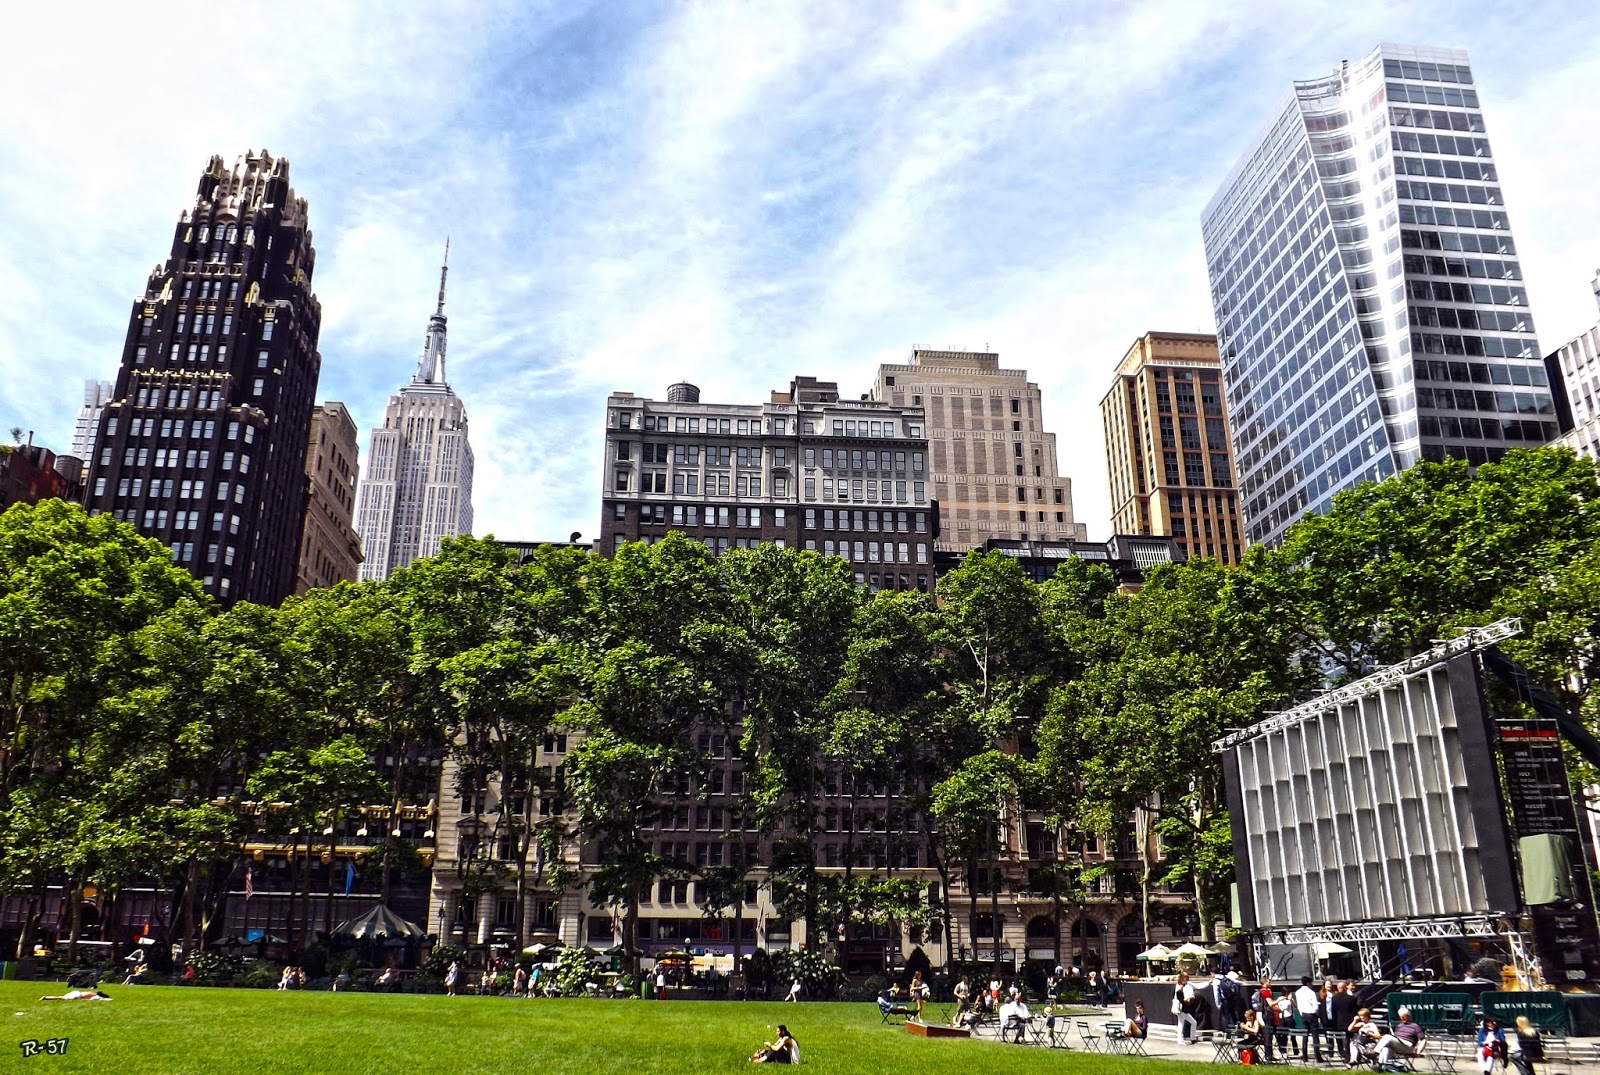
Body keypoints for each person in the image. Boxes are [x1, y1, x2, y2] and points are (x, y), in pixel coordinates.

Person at [1294, 975, 1325, 1061]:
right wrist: (1316, 1013)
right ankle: (1318, 1056)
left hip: (1303, 1014)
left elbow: (1299, 1005)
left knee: (1305, 1036)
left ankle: (1304, 1056)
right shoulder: (1311, 992)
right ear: (1308, 983)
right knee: (1315, 1036)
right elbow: (1315, 1006)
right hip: (1311, 1014)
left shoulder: (1297, 992)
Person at [1330, 980, 1360, 1059]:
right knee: (1352, 1039)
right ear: (1345, 987)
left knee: (1344, 1040)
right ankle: (1354, 1056)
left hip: (1339, 1022)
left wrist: (1334, 1021)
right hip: (1350, 1022)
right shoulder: (1352, 999)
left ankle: (1346, 1056)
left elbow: (1333, 1011)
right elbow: (1355, 1010)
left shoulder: (1334, 998)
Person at [1174, 971, 1199, 1045]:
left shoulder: (1183, 986)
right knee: (1181, 1024)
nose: (1187, 980)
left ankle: (1192, 1038)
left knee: (1193, 1022)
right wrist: (1188, 999)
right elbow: (1180, 999)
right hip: (1181, 1009)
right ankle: (1180, 1040)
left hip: (1184, 1009)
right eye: (1185, 978)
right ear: (1182, 979)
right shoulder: (1179, 987)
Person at [41, 989, 111, 1001]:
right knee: (61, 998)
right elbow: (87, 1000)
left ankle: (47, 998)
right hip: (77, 996)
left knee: (61, 997)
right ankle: (46, 998)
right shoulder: (96, 997)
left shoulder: (93, 993)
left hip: (76, 993)